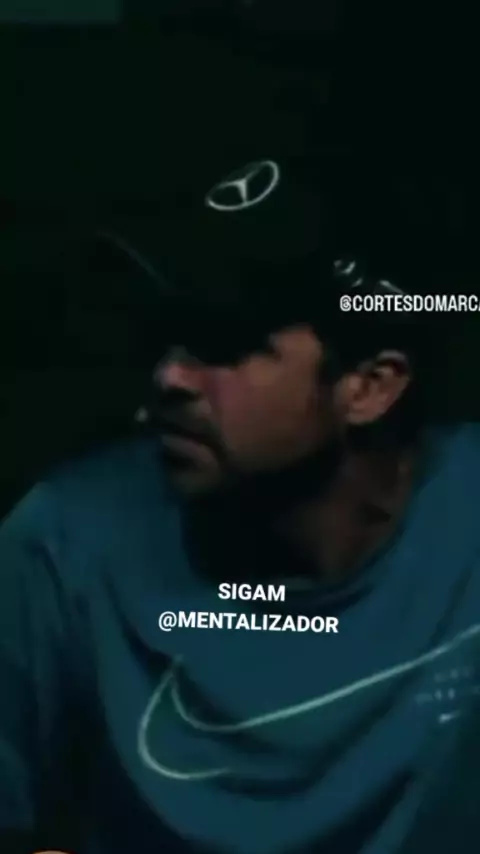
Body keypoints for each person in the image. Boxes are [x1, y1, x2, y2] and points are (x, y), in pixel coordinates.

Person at [0, 157, 478, 854]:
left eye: (226, 341)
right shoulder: (62, 544)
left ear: (370, 387)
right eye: (169, 333)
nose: (170, 376)